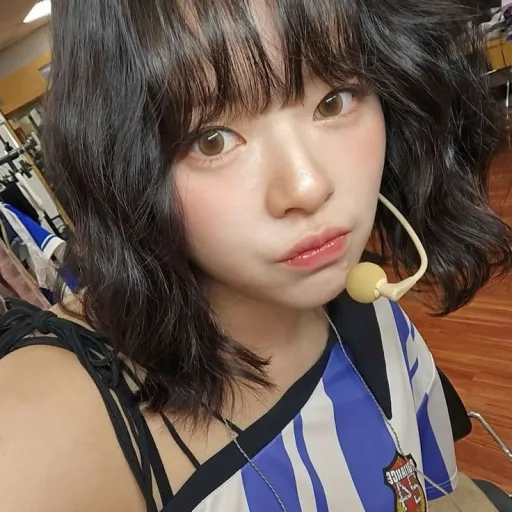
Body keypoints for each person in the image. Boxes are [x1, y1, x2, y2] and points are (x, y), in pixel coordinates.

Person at [0, 0, 511, 511]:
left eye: (334, 101)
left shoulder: (369, 298)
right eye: (212, 140)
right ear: (124, 165)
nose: (307, 186)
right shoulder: (49, 430)